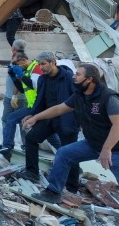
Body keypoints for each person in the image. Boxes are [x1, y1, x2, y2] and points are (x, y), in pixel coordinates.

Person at [24, 64, 119, 220]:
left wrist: (107, 149)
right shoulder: (80, 95)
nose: (73, 76)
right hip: (92, 144)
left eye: (78, 75)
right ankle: (53, 192)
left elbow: (118, 125)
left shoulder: (109, 97)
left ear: (89, 79)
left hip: (117, 150)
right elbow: (59, 108)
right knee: (64, 153)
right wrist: (35, 118)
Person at [16, 52, 80, 193]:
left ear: (53, 62)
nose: (41, 67)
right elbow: (40, 99)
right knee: (31, 138)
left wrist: (78, 121)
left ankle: (72, 187)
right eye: (39, 64)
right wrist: (32, 114)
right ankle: (32, 173)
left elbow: (78, 100)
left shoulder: (69, 77)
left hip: (67, 120)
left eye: (44, 64)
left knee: (70, 152)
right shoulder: (42, 79)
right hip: (48, 118)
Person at [0, 51, 45, 161]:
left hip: (39, 105)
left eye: (15, 63)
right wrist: (14, 77)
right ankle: (7, 147)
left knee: (11, 118)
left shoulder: (36, 68)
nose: (15, 66)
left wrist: (20, 75)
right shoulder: (27, 70)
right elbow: (21, 88)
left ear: (23, 60)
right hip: (33, 105)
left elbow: (33, 85)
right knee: (11, 118)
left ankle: (6, 148)